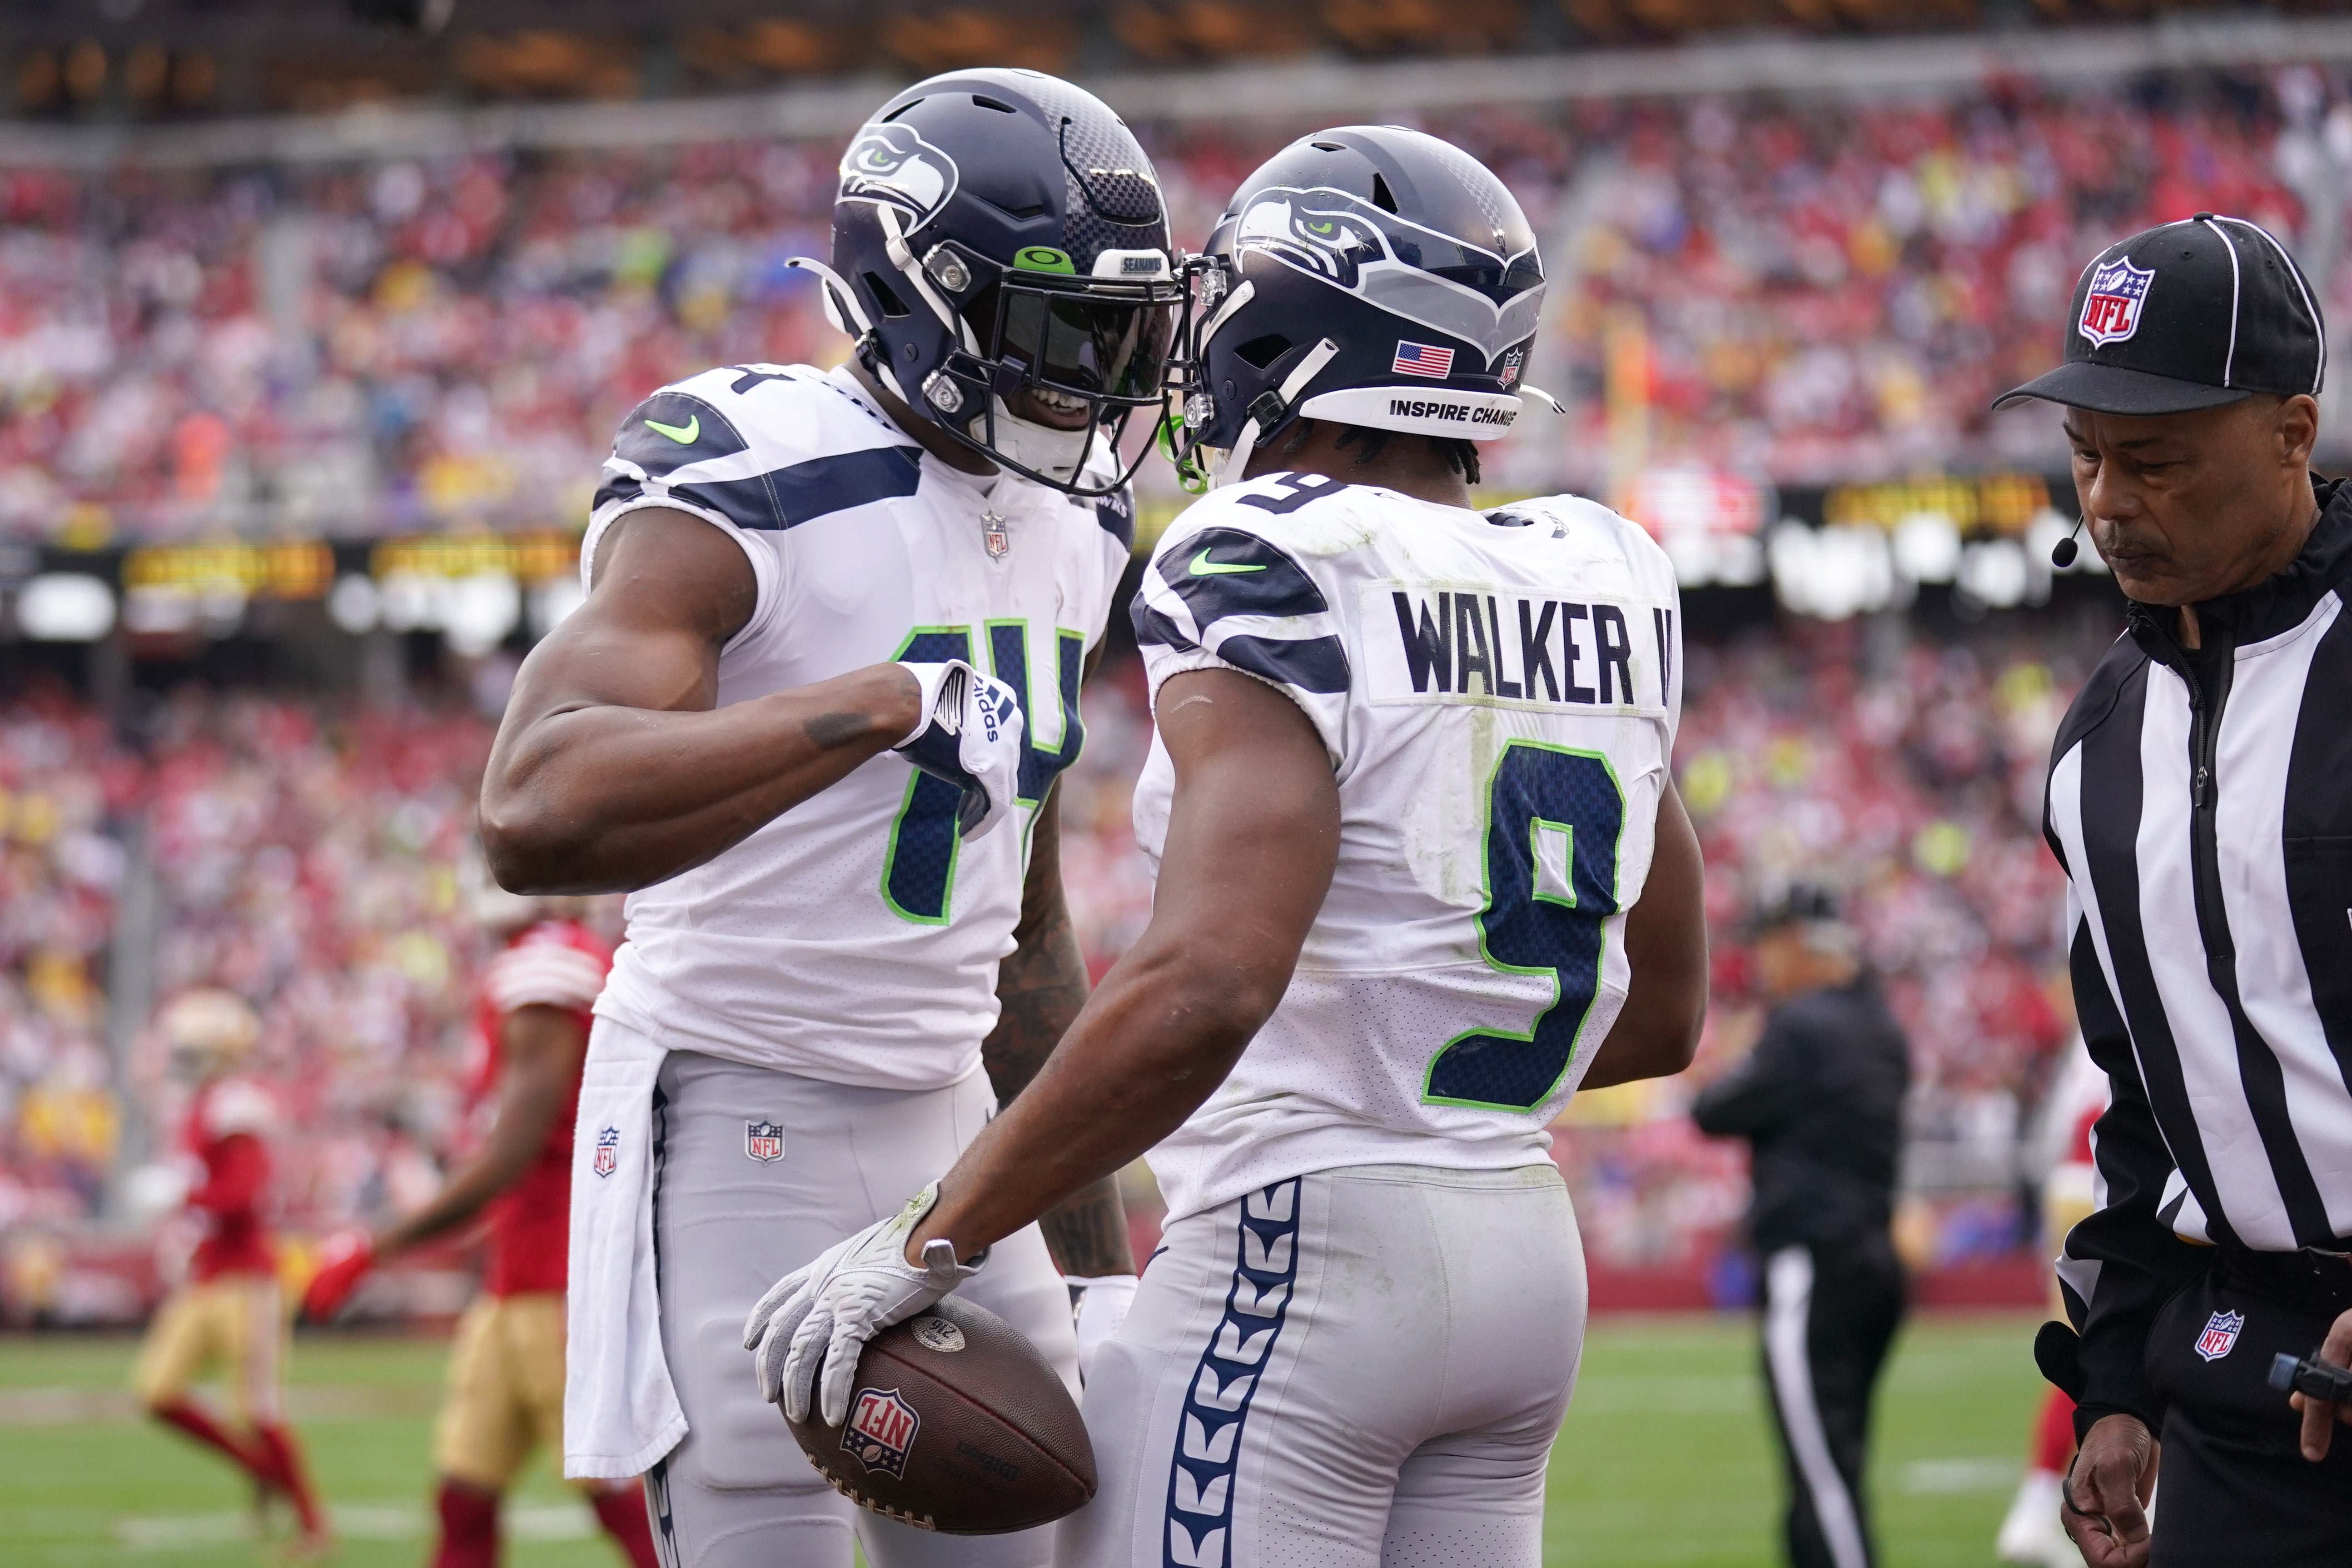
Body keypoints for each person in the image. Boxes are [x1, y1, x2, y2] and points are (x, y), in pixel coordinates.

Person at [748, 125, 1710, 1568]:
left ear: (1285, 328)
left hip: (1309, 1257)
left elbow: (1206, 982)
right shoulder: (1603, 562)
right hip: (1522, 1244)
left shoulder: (1265, 549)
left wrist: (928, 1235)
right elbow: (1666, 1008)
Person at [477, 66, 1180, 1568]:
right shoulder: (747, 468)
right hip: (741, 1115)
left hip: (956, 1137)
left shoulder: (1077, 524)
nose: (1098, 379)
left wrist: (1093, 1259)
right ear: (917, 298)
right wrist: (872, 706)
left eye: (1123, 330)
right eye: (1063, 329)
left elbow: (1022, 929)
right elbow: (530, 809)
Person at [1994, 213, 2352, 1567]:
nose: (2108, 503)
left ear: (2290, 431)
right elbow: (2148, 1099)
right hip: (2246, 1393)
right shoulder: (2098, 747)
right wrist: (2122, 1380)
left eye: (2155, 461)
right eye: (2086, 457)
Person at [301, 872, 656, 1568]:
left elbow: (511, 1154)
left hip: (563, 1277)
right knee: (466, 1490)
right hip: (519, 1275)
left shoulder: (547, 965)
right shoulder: (552, 957)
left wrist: (372, 1248)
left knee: (615, 1490)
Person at [1690, 886, 1909, 1568]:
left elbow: (1712, 1108)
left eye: (1769, 943)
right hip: (1873, 1256)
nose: (1762, 961)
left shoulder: (1801, 1027)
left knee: (1822, 1478)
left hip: (1811, 1263)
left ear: (1798, 942)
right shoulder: (1880, 1023)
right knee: (1829, 1462)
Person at [133, 988, 329, 1559]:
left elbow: (243, 1195)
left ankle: (313, 1525)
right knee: (158, 1391)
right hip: (209, 1275)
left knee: (261, 1409)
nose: (183, 1059)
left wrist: (184, 1195)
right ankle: (259, 1470)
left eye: (192, 1048)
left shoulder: (235, 1105)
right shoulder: (203, 1104)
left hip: (247, 1279)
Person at [1997, 1039, 2108, 1568]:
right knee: (2138, 1347)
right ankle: (2046, 1510)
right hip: (2109, 1179)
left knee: (2082, 1351)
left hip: (2073, 1178)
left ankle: (2034, 1506)